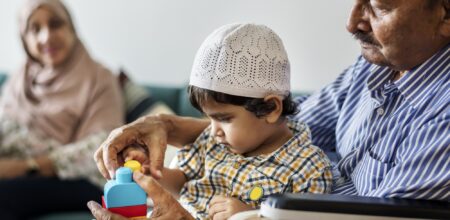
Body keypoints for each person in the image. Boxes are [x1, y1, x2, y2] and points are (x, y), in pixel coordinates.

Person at [89, 0, 449, 219]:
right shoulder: (374, 67)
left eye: (380, 5)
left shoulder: (442, 121)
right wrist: (164, 127)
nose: (352, 22)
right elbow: (282, 127)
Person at [123, 23, 333, 219]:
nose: (214, 131)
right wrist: (154, 173)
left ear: (271, 108)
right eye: (209, 118)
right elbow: (183, 183)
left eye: (224, 119)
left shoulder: (308, 168)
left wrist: (250, 215)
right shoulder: (212, 142)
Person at [0, 0, 124, 219]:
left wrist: (25, 166)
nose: (46, 37)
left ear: (71, 29)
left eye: (56, 24)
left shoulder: (99, 78)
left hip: (78, 178)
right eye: (34, 29)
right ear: (24, 39)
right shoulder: (18, 80)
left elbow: (103, 146)